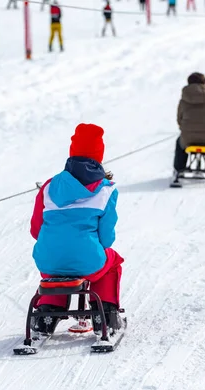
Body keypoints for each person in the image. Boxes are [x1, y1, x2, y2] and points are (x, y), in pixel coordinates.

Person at [30, 123, 124, 335]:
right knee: (111, 262)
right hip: (88, 260)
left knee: (56, 265)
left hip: (48, 259)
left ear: (72, 153)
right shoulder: (106, 190)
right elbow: (106, 238)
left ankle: (48, 311)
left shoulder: (49, 186)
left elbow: (36, 230)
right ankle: (105, 314)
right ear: (99, 155)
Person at [173, 73, 205, 180]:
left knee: (179, 143)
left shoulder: (183, 101)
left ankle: (179, 169)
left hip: (188, 139)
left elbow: (179, 119)